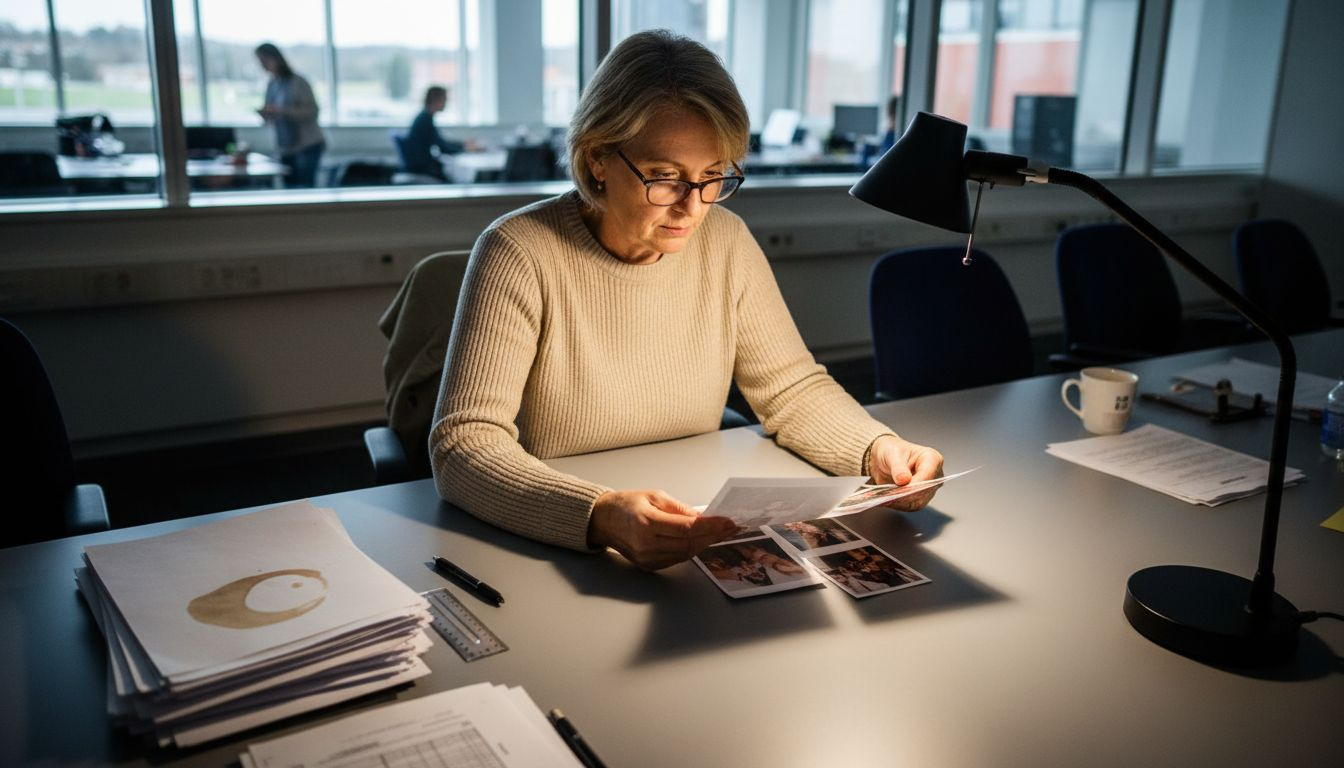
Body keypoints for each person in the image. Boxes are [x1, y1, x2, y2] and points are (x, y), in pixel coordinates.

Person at [429, 29, 944, 572]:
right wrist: (596, 513)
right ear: (597, 158)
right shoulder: (518, 251)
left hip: (689, 519)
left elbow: (791, 389)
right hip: (552, 546)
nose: (691, 208)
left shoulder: (725, 240)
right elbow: (464, 445)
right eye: (664, 177)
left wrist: (876, 449)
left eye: (712, 177)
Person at [255, 43, 324, 188]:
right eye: (260, 62)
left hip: (307, 145)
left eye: (265, 61)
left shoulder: (298, 82)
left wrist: (281, 111)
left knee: (304, 189)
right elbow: (270, 111)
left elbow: (312, 111)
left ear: (276, 58)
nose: (263, 65)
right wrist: (266, 114)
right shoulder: (273, 84)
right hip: (286, 146)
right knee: (289, 191)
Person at [400, 86, 465, 181]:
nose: (446, 103)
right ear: (437, 100)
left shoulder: (424, 116)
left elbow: (441, 142)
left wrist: (462, 145)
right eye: (445, 99)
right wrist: (464, 148)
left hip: (422, 165)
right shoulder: (425, 120)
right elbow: (443, 147)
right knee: (456, 178)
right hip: (423, 168)